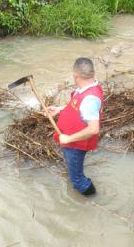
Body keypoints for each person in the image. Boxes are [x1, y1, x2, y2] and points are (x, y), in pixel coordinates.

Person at [47, 57, 103, 196]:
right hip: (70, 140)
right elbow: (77, 106)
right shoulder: (87, 87)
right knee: (74, 171)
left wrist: (69, 139)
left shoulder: (90, 99)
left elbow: (93, 129)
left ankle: (93, 199)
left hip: (76, 144)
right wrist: (60, 109)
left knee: (77, 180)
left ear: (75, 75)